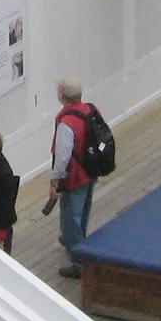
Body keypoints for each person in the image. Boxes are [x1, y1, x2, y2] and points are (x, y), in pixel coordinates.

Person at [50, 80, 100, 280]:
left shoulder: (66, 123)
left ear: (62, 95)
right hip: (91, 170)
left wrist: (55, 180)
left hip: (75, 176)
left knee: (71, 216)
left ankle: (79, 262)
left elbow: (62, 156)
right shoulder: (90, 110)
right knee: (83, 210)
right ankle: (80, 244)